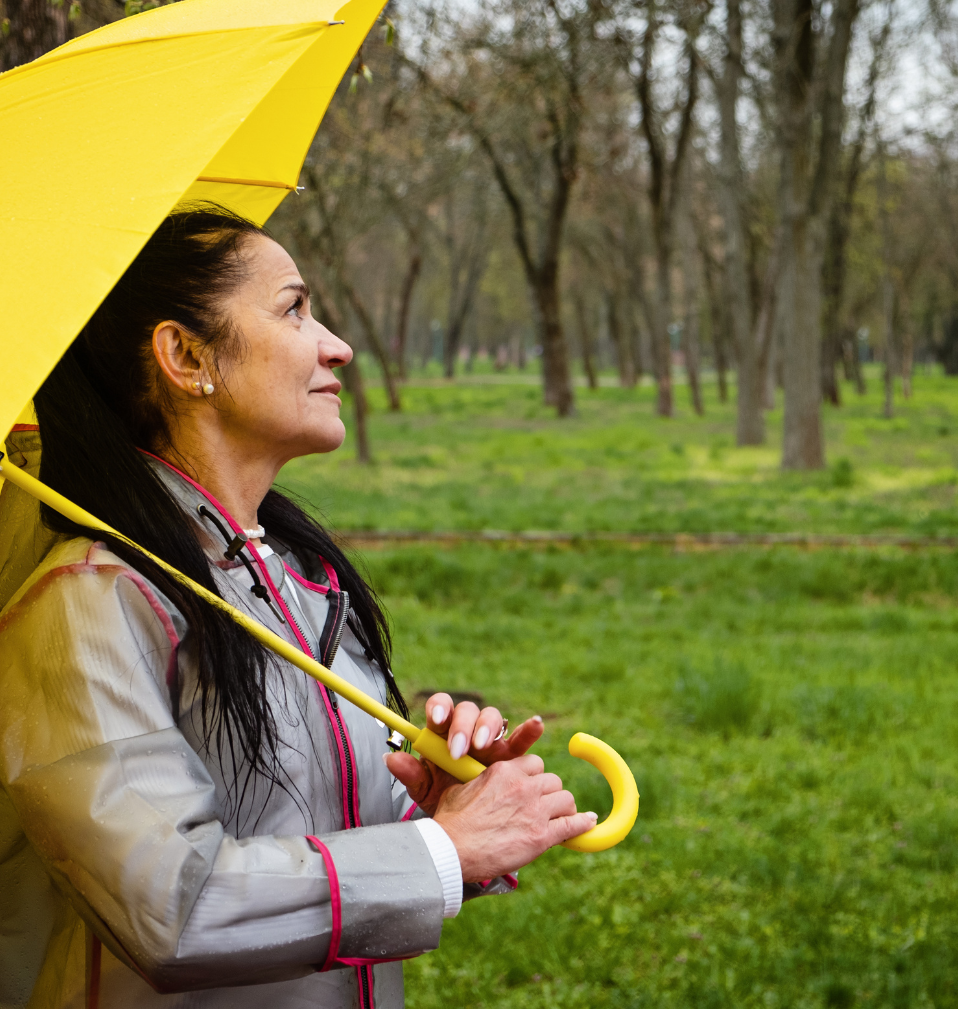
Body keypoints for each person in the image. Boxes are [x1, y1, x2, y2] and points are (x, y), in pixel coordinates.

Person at [0, 205, 596, 1009]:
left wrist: (433, 803)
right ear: (184, 355)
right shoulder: (89, 604)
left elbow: (297, 816)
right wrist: (441, 850)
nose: (337, 346)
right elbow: (173, 906)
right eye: (294, 308)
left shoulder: (296, 578)